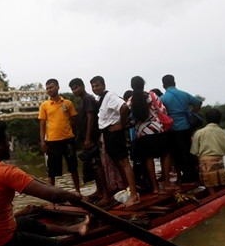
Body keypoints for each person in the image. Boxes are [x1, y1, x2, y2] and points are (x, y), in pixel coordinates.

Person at [0, 119, 90, 246]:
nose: (9, 144)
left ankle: (74, 229)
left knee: (25, 222)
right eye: (7, 139)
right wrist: (72, 195)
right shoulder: (6, 172)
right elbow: (53, 196)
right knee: (55, 245)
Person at [89, 75, 140, 207]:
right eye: (93, 86)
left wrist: (121, 125)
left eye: (97, 85)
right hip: (108, 133)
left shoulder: (110, 96)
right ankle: (129, 190)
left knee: (124, 163)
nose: (95, 88)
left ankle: (134, 196)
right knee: (118, 162)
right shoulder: (102, 99)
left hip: (114, 133)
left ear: (104, 85)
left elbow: (124, 107)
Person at [127, 76, 172, 194]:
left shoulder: (131, 101)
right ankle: (167, 184)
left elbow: (129, 118)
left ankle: (155, 188)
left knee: (148, 159)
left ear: (132, 86)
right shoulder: (152, 96)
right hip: (158, 130)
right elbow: (163, 110)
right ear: (143, 84)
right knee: (165, 154)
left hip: (142, 133)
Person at [68, 78, 108, 203]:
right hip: (86, 137)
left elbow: (91, 118)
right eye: (72, 89)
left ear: (82, 86)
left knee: (97, 165)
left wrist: (88, 138)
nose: (74, 91)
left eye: (76, 87)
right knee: (92, 165)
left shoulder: (88, 99)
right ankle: (99, 191)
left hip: (91, 138)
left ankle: (106, 194)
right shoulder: (82, 101)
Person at [39, 78, 81, 192]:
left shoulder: (67, 103)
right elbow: (42, 124)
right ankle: (52, 200)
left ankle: (78, 193)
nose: (49, 90)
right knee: (51, 171)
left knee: (73, 167)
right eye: (47, 88)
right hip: (52, 141)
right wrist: (42, 142)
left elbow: (74, 120)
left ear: (57, 87)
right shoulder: (44, 105)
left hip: (68, 140)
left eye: (51, 87)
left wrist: (66, 127)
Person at [160, 74, 202, 184]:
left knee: (178, 154)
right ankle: (194, 174)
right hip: (188, 127)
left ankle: (184, 176)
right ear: (174, 83)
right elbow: (198, 102)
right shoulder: (184, 94)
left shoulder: (163, 98)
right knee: (190, 151)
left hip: (174, 130)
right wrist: (191, 113)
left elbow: (159, 113)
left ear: (164, 85)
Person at [190, 108, 225, 191]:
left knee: (209, 186)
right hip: (220, 162)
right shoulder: (224, 133)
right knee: (220, 184)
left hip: (205, 163)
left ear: (206, 119)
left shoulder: (199, 132)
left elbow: (194, 151)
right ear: (219, 119)